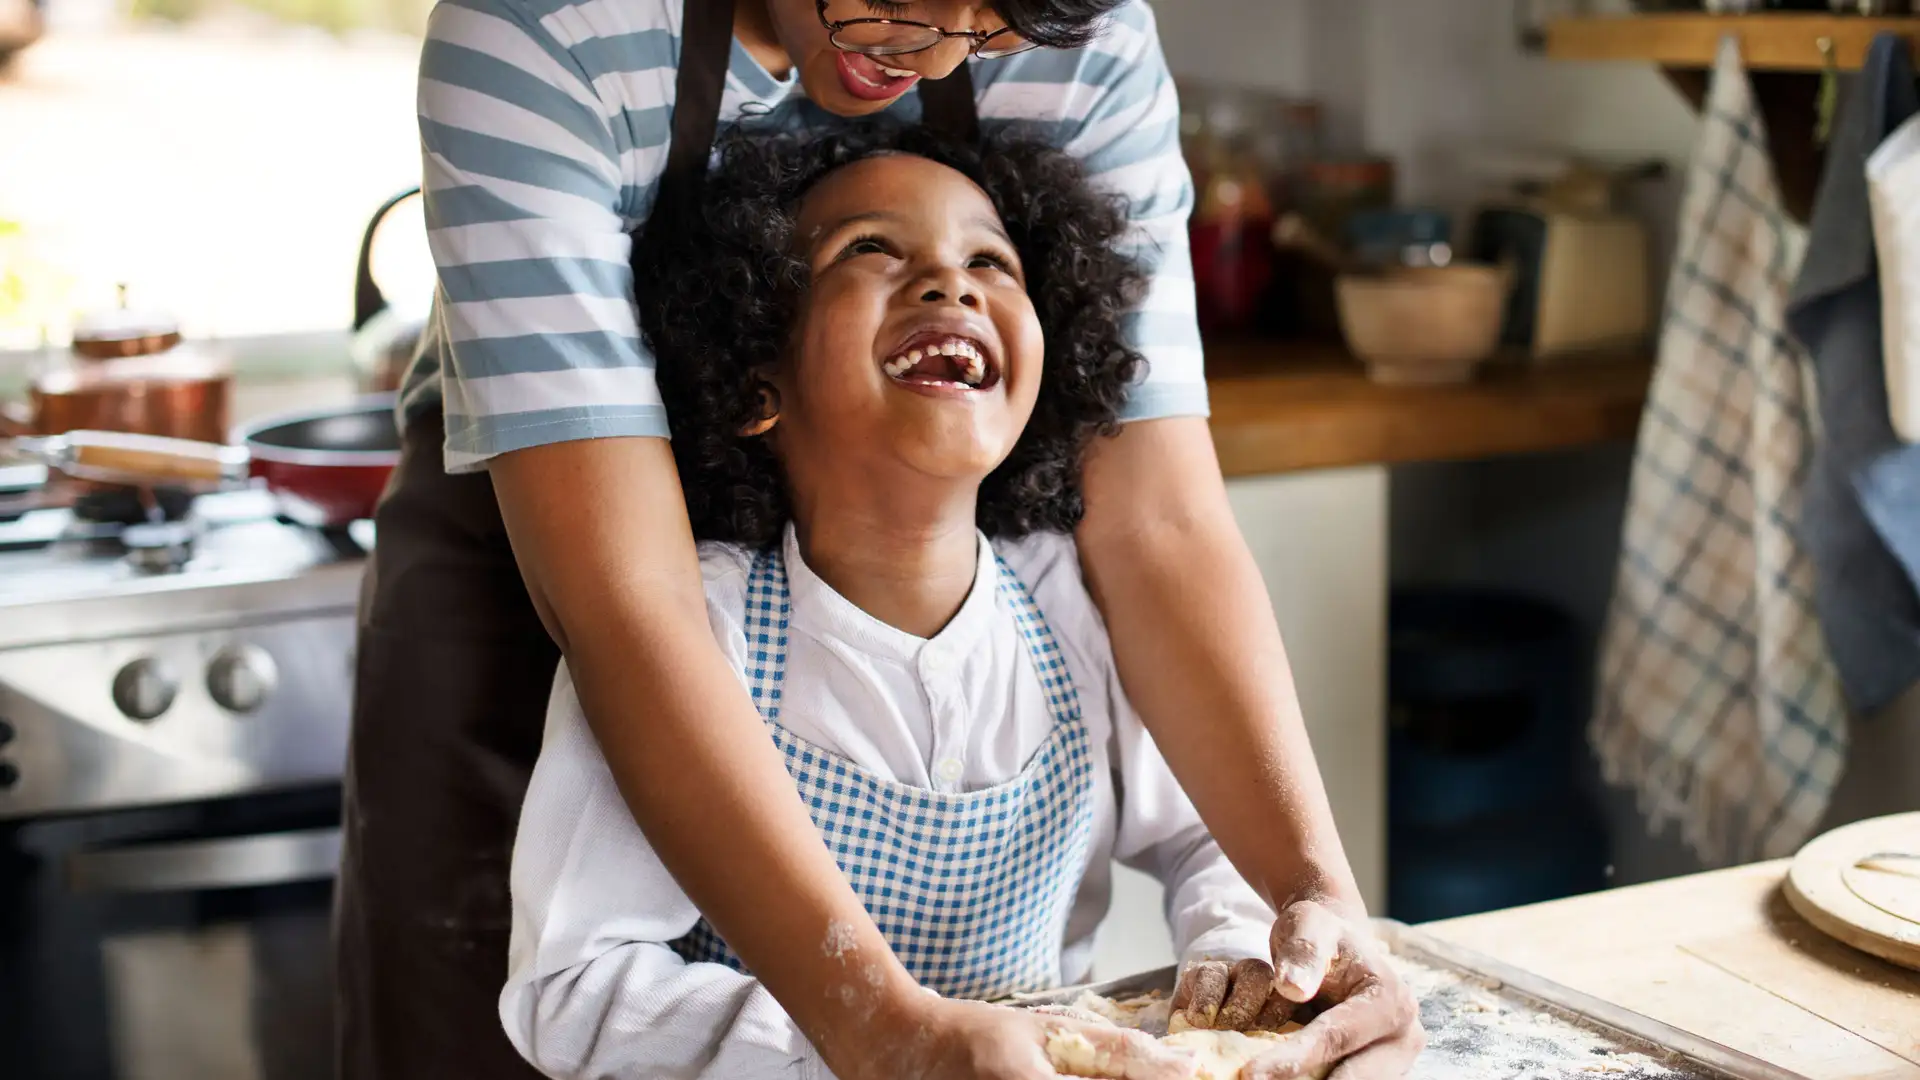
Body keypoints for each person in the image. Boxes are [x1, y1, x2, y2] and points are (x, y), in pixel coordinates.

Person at [336, 1, 1423, 1078]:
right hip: (554, 560)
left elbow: (1160, 521)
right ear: (755, 379)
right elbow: (631, 604)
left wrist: (1309, 897)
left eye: (989, 26)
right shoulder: (548, 27)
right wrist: (875, 1033)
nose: (940, 53)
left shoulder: (1049, 612)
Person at [505, 121, 1284, 1079]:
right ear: (756, 383)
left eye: (992, 261)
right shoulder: (693, 634)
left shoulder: (1071, 603)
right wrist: (858, 1044)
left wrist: (1230, 960)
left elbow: (1213, 833)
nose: (951, 282)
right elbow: (574, 990)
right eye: (871, 248)